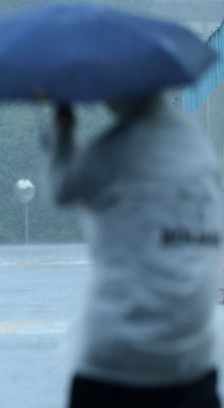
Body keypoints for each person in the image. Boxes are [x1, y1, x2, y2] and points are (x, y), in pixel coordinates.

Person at [45, 95, 222, 408]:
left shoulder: (116, 147)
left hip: (117, 361)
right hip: (192, 362)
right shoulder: (198, 147)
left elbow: (63, 189)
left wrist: (63, 128)